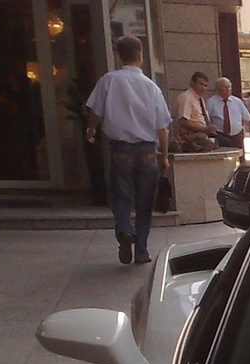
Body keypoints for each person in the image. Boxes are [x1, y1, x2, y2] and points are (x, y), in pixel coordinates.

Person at [84, 36, 171, 266]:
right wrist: (164, 157)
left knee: (121, 196)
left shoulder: (109, 80)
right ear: (140, 54)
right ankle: (141, 251)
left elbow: (95, 111)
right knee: (144, 203)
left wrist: (91, 129)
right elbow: (162, 127)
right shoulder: (151, 87)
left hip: (121, 149)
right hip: (147, 151)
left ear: (119, 55)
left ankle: (124, 230)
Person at [173, 71, 216, 153]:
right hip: (191, 136)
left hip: (203, 134)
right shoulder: (186, 97)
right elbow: (183, 122)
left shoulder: (200, 99)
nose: (203, 88)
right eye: (200, 84)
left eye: (205, 85)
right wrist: (204, 129)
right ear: (192, 83)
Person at [206, 76, 250, 152]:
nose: (228, 90)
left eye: (229, 87)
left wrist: (237, 126)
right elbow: (207, 120)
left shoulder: (237, 101)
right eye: (225, 87)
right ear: (218, 89)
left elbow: (246, 118)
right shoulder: (211, 102)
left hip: (237, 136)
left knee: (239, 159)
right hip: (220, 136)